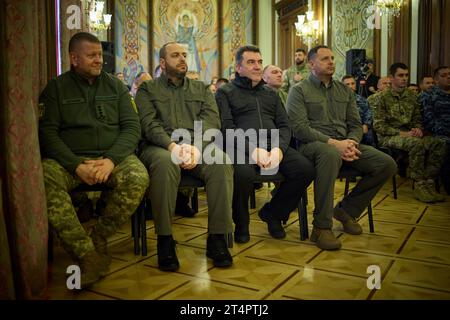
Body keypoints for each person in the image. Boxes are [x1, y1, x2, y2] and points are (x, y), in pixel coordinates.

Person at [38, 32, 149, 288]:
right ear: (74, 58)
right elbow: (47, 134)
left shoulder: (116, 87)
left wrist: (111, 160)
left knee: (138, 176)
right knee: (44, 176)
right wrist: (75, 165)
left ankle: (99, 237)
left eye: (100, 55)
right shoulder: (55, 89)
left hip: (111, 158)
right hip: (70, 160)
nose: (99, 60)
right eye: (92, 56)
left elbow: (132, 127)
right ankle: (86, 253)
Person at [287, 45, 397, 250]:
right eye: (325, 59)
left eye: (332, 58)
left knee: (386, 164)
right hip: (312, 146)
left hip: (344, 144)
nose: (331, 62)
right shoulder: (298, 90)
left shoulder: (344, 90)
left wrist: (351, 143)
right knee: (329, 154)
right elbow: (299, 128)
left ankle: (347, 210)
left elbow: (355, 124)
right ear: (311, 64)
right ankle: (321, 227)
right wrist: (334, 144)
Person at [135, 42, 233, 271]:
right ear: (162, 62)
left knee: (221, 161)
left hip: (197, 145)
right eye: (175, 55)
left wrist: (196, 148)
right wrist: (173, 147)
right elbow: (148, 124)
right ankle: (165, 240)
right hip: (160, 146)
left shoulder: (201, 88)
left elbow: (211, 121)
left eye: (184, 55)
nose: (182, 59)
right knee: (166, 164)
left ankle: (217, 237)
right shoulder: (148, 90)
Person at [215, 45, 315, 244]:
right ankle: (242, 224)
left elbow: (285, 125)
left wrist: (278, 149)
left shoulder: (270, 93)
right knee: (242, 174)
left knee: (305, 170)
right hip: (240, 146)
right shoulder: (225, 92)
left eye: (260, 62)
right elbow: (226, 127)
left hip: (273, 144)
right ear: (238, 67)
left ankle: (273, 213)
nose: (257, 66)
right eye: (251, 62)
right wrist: (253, 151)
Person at [372, 62, 446, 203]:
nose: (404, 78)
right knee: (416, 144)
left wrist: (418, 128)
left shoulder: (412, 97)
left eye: (406, 75)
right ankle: (419, 185)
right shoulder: (381, 97)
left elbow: (417, 118)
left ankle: (429, 182)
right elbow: (379, 126)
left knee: (439, 143)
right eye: (400, 75)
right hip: (389, 137)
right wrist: (401, 134)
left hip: (410, 135)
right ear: (392, 78)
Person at [420, 66, 450, 194]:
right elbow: (428, 120)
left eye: (449, 75)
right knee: (445, 144)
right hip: (437, 133)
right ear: (436, 80)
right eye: (444, 75)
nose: (448, 77)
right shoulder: (429, 95)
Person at [342, 75, 375, 146]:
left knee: (369, 135)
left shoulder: (362, 100)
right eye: (347, 84)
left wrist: (366, 124)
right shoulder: (339, 100)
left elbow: (368, 113)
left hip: (361, 128)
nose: (350, 86)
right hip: (345, 129)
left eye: (352, 83)